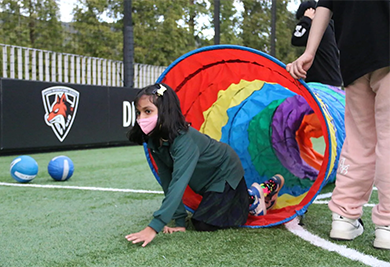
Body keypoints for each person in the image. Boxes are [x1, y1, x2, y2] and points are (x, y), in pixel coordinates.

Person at [125, 83, 285, 247]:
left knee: (203, 224)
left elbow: (179, 182)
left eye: (148, 111)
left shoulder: (183, 140)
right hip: (208, 182)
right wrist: (180, 221)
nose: (141, 118)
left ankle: (256, 195)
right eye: (138, 112)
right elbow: (168, 180)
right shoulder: (154, 140)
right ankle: (254, 194)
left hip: (225, 171)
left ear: (166, 112)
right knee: (204, 217)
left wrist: (153, 227)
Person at [286, 0, 390, 250]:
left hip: (353, 59)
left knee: (358, 140)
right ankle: (387, 224)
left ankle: (344, 216)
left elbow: (325, 6)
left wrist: (309, 52)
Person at [291, 0, 342, 87]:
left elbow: (296, 38)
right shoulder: (332, 28)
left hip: (321, 82)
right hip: (333, 80)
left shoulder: (320, 29)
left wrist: (306, 19)